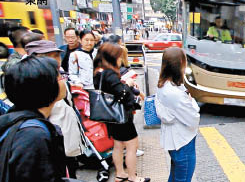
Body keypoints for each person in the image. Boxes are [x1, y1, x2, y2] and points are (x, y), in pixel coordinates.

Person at [0, 56, 67, 182]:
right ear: (48, 87)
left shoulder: (16, 118)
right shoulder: (33, 135)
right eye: (61, 77)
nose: (64, 81)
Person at [25, 40, 85, 178]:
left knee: (70, 166)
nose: (56, 60)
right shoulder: (34, 80)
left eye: (57, 55)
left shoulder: (58, 72)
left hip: (65, 134)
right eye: (49, 56)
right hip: (53, 140)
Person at [93, 43, 149, 182]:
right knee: (132, 145)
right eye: (118, 57)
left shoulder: (99, 72)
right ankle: (132, 177)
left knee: (118, 145)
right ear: (112, 57)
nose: (120, 60)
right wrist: (128, 84)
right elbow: (122, 93)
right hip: (121, 117)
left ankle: (120, 174)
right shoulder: (110, 73)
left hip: (110, 116)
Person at [156, 47, 200, 182]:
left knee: (174, 176)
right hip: (183, 142)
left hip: (173, 141)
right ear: (180, 64)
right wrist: (192, 101)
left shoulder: (163, 85)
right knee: (183, 178)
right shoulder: (175, 94)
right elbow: (193, 119)